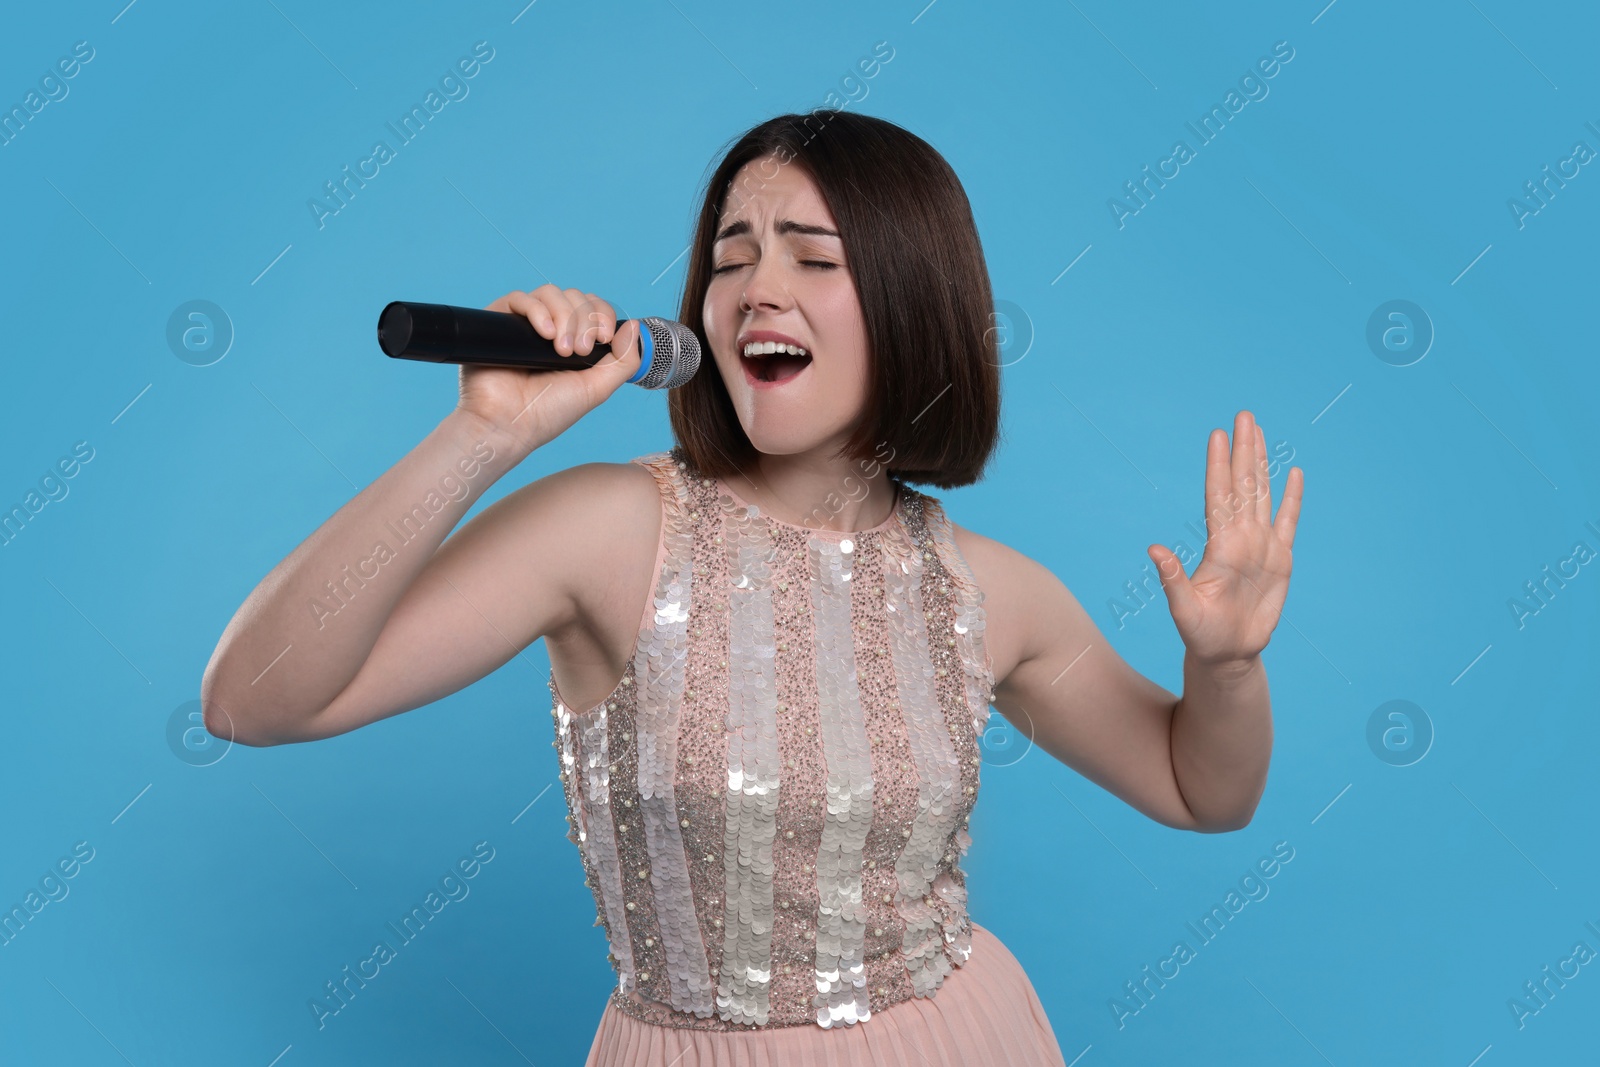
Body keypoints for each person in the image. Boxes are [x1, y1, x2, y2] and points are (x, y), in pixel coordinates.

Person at [201, 110, 1304, 1065]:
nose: (756, 288)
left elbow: (1199, 789)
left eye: (813, 259)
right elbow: (255, 701)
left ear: (913, 301)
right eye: (732, 255)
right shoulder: (609, 529)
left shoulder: (990, 589)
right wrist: (480, 436)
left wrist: (1227, 665)